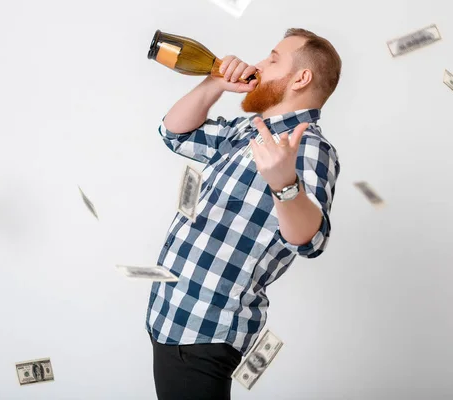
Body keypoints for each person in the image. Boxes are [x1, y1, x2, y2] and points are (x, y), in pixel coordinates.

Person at [146, 28, 342, 400]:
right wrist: (213, 84)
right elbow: (174, 133)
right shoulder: (246, 132)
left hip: (206, 329)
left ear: (301, 78)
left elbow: (311, 240)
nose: (259, 64)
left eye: (273, 58)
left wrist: (285, 185)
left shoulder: (310, 149)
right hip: (172, 317)